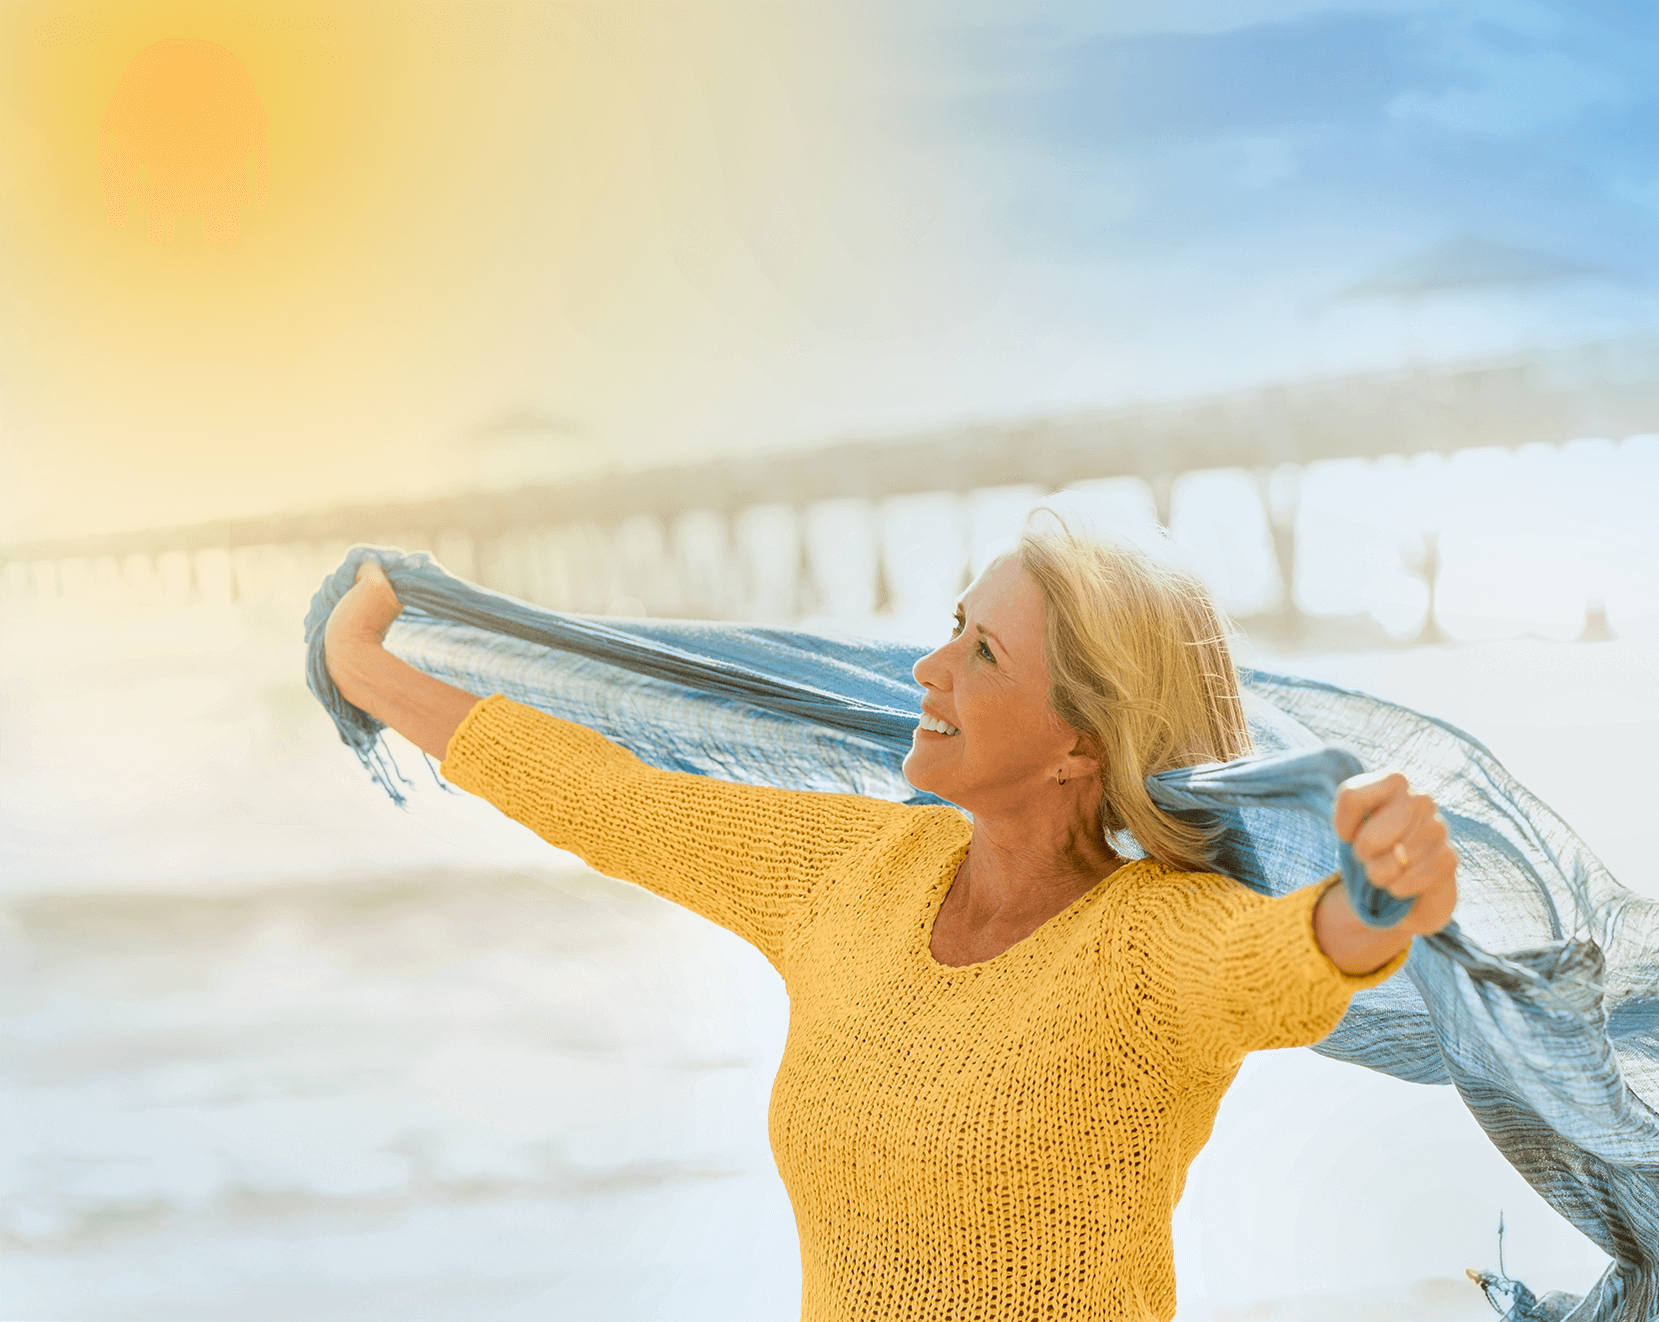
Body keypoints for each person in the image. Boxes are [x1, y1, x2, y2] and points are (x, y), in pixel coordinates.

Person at [323, 522, 1458, 1322]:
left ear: (1081, 742)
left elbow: (1283, 960)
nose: (930, 668)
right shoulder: (855, 871)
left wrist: (1374, 898)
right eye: (954, 626)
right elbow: (611, 798)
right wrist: (363, 666)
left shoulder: (1152, 944)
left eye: (984, 652)